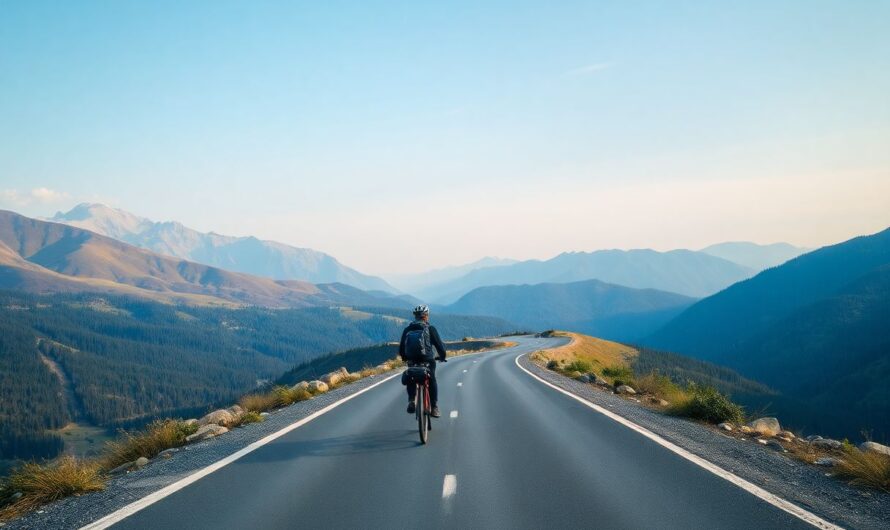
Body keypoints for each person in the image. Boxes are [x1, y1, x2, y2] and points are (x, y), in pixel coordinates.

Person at [399, 305, 447, 417]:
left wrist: (405, 358)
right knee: (432, 380)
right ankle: (434, 407)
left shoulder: (407, 330)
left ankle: (411, 400)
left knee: (411, 375)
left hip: (412, 360)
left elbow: (402, 348)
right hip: (428, 360)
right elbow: (440, 347)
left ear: (415, 316)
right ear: (426, 316)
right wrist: (442, 357)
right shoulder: (430, 329)